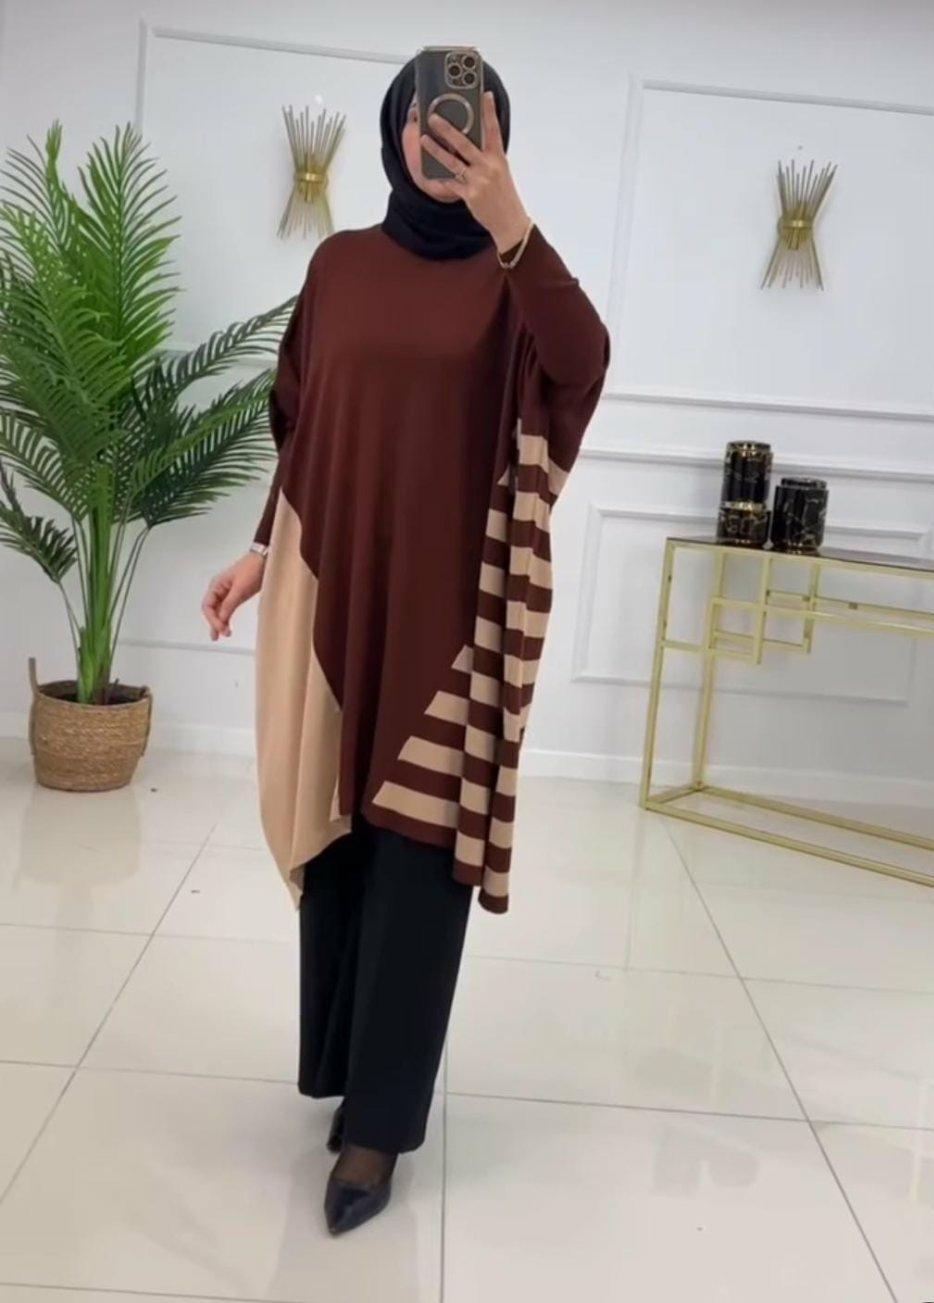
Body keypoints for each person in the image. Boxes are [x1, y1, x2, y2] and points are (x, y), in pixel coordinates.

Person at [201, 52, 610, 1235]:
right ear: (395, 132)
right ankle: (341, 1071)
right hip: (333, 592)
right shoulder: (338, 267)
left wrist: (512, 221)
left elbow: (582, 365)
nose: (445, 140)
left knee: (420, 859)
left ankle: (379, 1129)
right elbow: (303, 424)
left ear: (498, 136)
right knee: (339, 840)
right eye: (429, 121)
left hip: (452, 619)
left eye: (470, 122)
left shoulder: (514, 278)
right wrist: (263, 549)